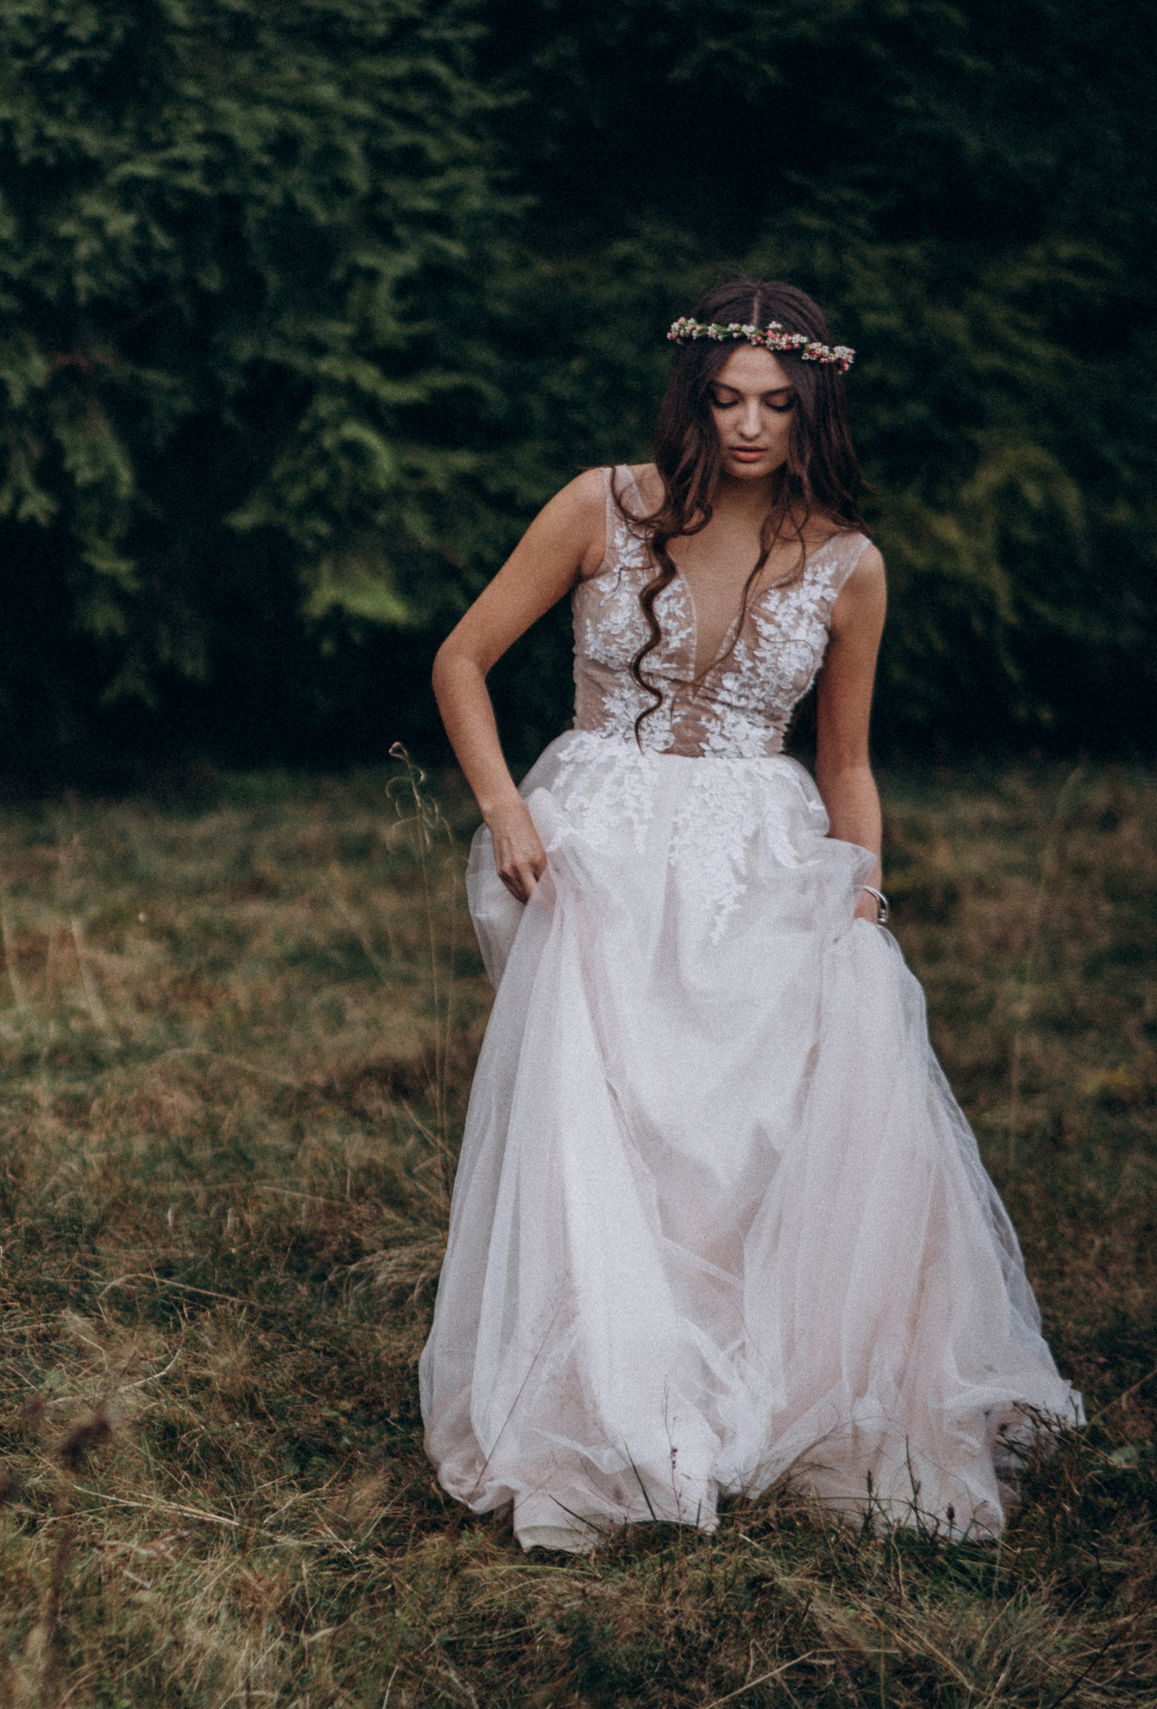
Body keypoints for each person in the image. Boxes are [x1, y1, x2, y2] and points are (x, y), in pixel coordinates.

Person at [418, 277, 1080, 1552]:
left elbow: (846, 761)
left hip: (753, 849)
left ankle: (744, 1375)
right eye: (725, 399)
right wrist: (505, 808)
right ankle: (604, 1392)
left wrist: (862, 896)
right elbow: (459, 657)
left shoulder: (848, 564)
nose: (747, 425)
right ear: (692, 397)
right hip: (596, 840)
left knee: (754, 1119)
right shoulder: (599, 505)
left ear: (812, 407)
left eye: (776, 403)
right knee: (598, 1112)